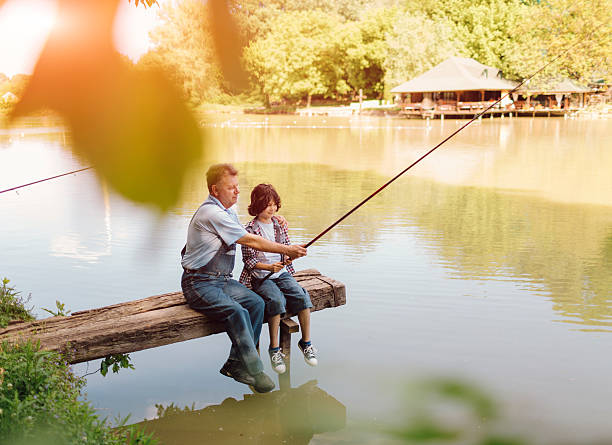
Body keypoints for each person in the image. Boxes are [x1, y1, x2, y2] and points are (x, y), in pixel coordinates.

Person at [181, 164, 307, 393]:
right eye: (231, 188)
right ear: (215, 190)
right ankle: (255, 369)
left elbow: (255, 229)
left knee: (256, 304)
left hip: (222, 280)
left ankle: (235, 364)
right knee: (237, 311)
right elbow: (251, 241)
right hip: (198, 283)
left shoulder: (228, 211)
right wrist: (287, 250)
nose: (237, 192)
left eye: (238, 187)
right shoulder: (212, 213)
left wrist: (277, 218)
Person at [239, 183, 317, 375]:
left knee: (301, 296)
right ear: (257, 205)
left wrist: (293, 254)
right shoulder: (249, 229)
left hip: (281, 273)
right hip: (261, 276)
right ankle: (274, 349)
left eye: (274, 204)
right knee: (275, 300)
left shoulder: (278, 224)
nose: (272, 208)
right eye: (267, 205)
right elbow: (249, 261)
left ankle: (306, 343)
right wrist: (269, 267)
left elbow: (287, 248)